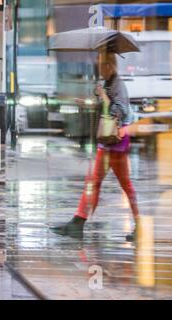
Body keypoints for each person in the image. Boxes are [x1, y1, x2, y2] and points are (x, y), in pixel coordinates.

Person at [51, 52, 139, 242]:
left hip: (115, 141)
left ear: (110, 66)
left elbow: (120, 110)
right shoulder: (107, 83)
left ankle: (138, 224)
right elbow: (104, 106)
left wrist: (103, 98)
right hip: (107, 140)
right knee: (96, 182)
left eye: (102, 65)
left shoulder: (118, 84)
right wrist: (91, 102)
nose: (99, 69)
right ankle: (78, 222)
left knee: (121, 184)